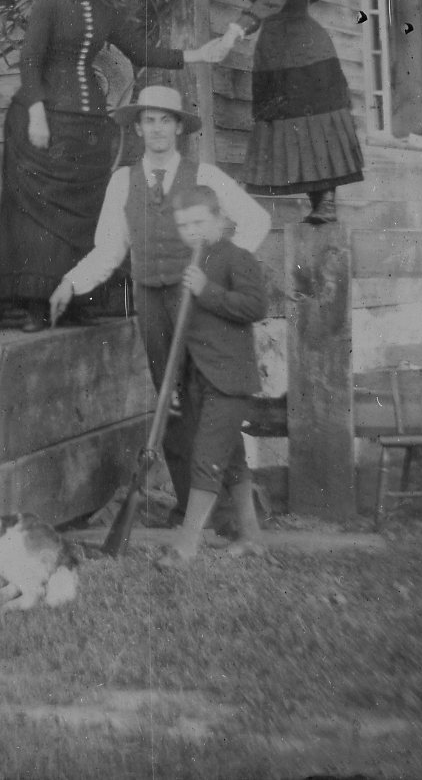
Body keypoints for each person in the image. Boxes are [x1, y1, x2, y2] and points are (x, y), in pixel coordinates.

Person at [48, 85, 270, 520]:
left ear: (179, 128)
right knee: (172, 398)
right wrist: (70, 283)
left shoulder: (205, 176)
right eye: (149, 120)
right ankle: (190, 507)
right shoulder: (122, 182)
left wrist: (217, 265)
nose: (157, 129)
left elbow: (257, 220)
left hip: (199, 301)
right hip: (152, 302)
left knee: (211, 396)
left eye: (166, 120)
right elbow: (110, 249)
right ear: (137, 127)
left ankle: (234, 508)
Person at [0, 0, 222, 333]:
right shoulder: (49, 4)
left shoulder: (103, 12)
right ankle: (31, 305)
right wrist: (36, 114)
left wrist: (197, 54)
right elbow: (30, 62)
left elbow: (140, 51)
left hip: (87, 127)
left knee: (85, 215)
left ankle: (75, 298)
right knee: (36, 217)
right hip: (43, 119)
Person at [181, 0, 364, 224]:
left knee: (315, 123)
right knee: (286, 120)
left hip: (307, 53)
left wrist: (232, 34)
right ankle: (313, 199)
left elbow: (266, 4)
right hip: (274, 56)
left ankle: (326, 202)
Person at [153, 186, 269, 564]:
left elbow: (255, 306)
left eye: (199, 222)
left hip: (230, 381)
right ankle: (252, 538)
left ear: (219, 218)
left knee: (205, 458)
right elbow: (186, 334)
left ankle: (186, 546)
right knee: (232, 460)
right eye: (183, 225)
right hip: (199, 382)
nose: (192, 231)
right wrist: (176, 382)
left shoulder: (237, 259)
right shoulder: (190, 265)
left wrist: (208, 291)